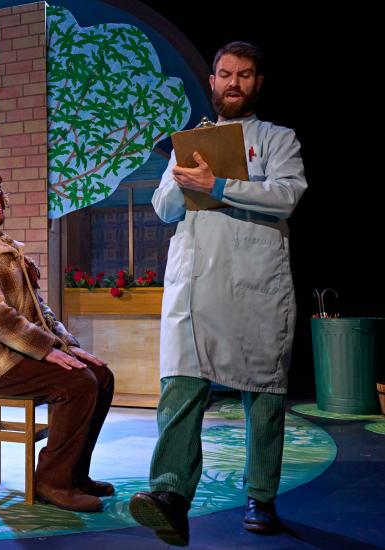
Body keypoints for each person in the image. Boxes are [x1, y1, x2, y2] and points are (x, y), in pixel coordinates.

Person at [128, 42, 307, 546]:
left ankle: (260, 495)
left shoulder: (277, 138)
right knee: (180, 391)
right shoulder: (190, 141)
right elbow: (165, 208)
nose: (233, 83)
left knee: (263, 397)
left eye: (244, 75)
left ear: (257, 82)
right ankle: (169, 495)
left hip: (254, 283)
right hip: (194, 285)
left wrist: (219, 184)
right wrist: (182, 179)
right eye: (225, 74)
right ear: (211, 81)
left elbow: (288, 195)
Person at [0, 171, 114, 512]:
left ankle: (75, 473)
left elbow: (40, 310)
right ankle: (51, 481)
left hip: (17, 350)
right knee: (77, 383)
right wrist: (46, 350)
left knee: (102, 377)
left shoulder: (5, 249)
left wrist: (67, 344)